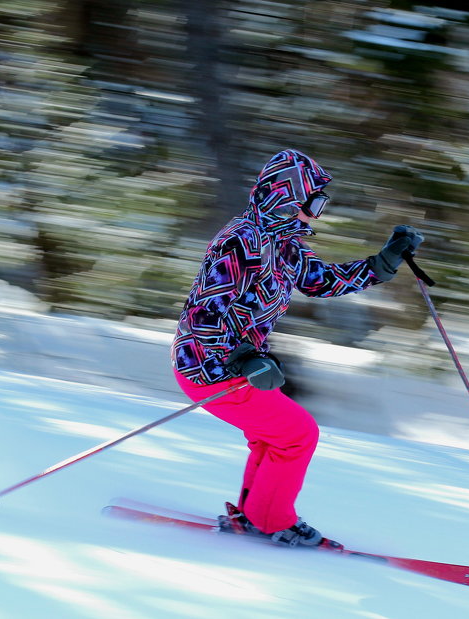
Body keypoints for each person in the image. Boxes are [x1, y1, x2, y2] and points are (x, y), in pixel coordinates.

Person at [171, 149, 423, 547]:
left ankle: (257, 514)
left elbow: (322, 280)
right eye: (315, 202)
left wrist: (384, 263)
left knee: (274, 436)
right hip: (208, 366)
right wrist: (242, 357)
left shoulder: (284, 246)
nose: (318, 213)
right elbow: (205, 312)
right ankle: (272, 520)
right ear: (288, 197)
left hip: (236, 366)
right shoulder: (239, 242)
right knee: (298, 434)